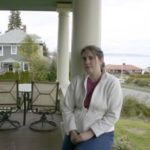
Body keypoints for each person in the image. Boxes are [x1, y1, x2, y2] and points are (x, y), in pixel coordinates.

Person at [61, 45, 123, 150]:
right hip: (76, 130)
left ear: (100, 60)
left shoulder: (112, 83)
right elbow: (67, 108)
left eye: (91, 58)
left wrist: (88, 133)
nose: (86, 62)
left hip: (101, 132)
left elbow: (113, 115)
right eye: (84, 58)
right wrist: (72, 130)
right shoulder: (76, 81)